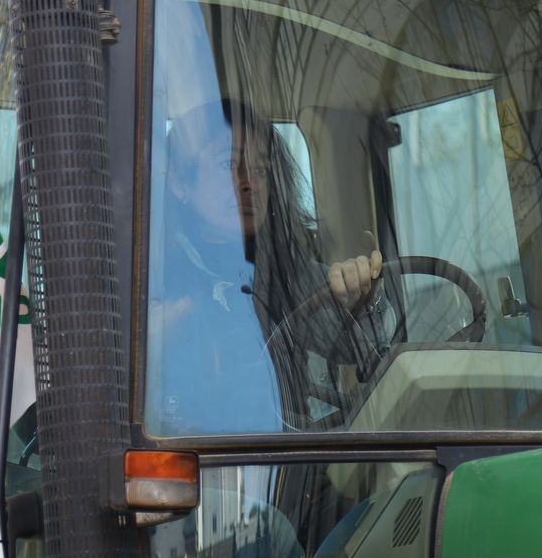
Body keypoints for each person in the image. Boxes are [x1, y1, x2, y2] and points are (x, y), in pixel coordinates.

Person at [149, 98, 382, 435]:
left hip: (289, 470)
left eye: (260, 170)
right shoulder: (154, 281)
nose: (249, 183)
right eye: (228, 165)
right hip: (199, 469)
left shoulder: (287, 270)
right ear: (180, 183)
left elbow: (353, 349)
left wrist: (360, 302)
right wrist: (157, 339)